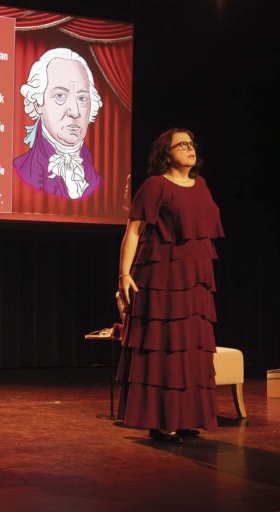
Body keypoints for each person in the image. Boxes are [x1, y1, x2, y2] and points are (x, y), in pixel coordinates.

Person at [116, 129, 224, 443]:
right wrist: (124, 275)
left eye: (191, 143)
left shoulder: (201, 185)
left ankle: (188, 417)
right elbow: (133, 231)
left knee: (190, 349)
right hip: (163, 278)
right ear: (166, 152)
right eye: (181, 144)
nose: (190, 148)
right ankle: (162, 422)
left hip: (195, 281)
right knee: (165, 347)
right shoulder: (156, 186)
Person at [13, 48, 103, 200]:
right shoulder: (19, 171)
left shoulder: (99, 182)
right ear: (37, 103)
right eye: (60, 95)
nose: (74, 112)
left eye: (82, 98)